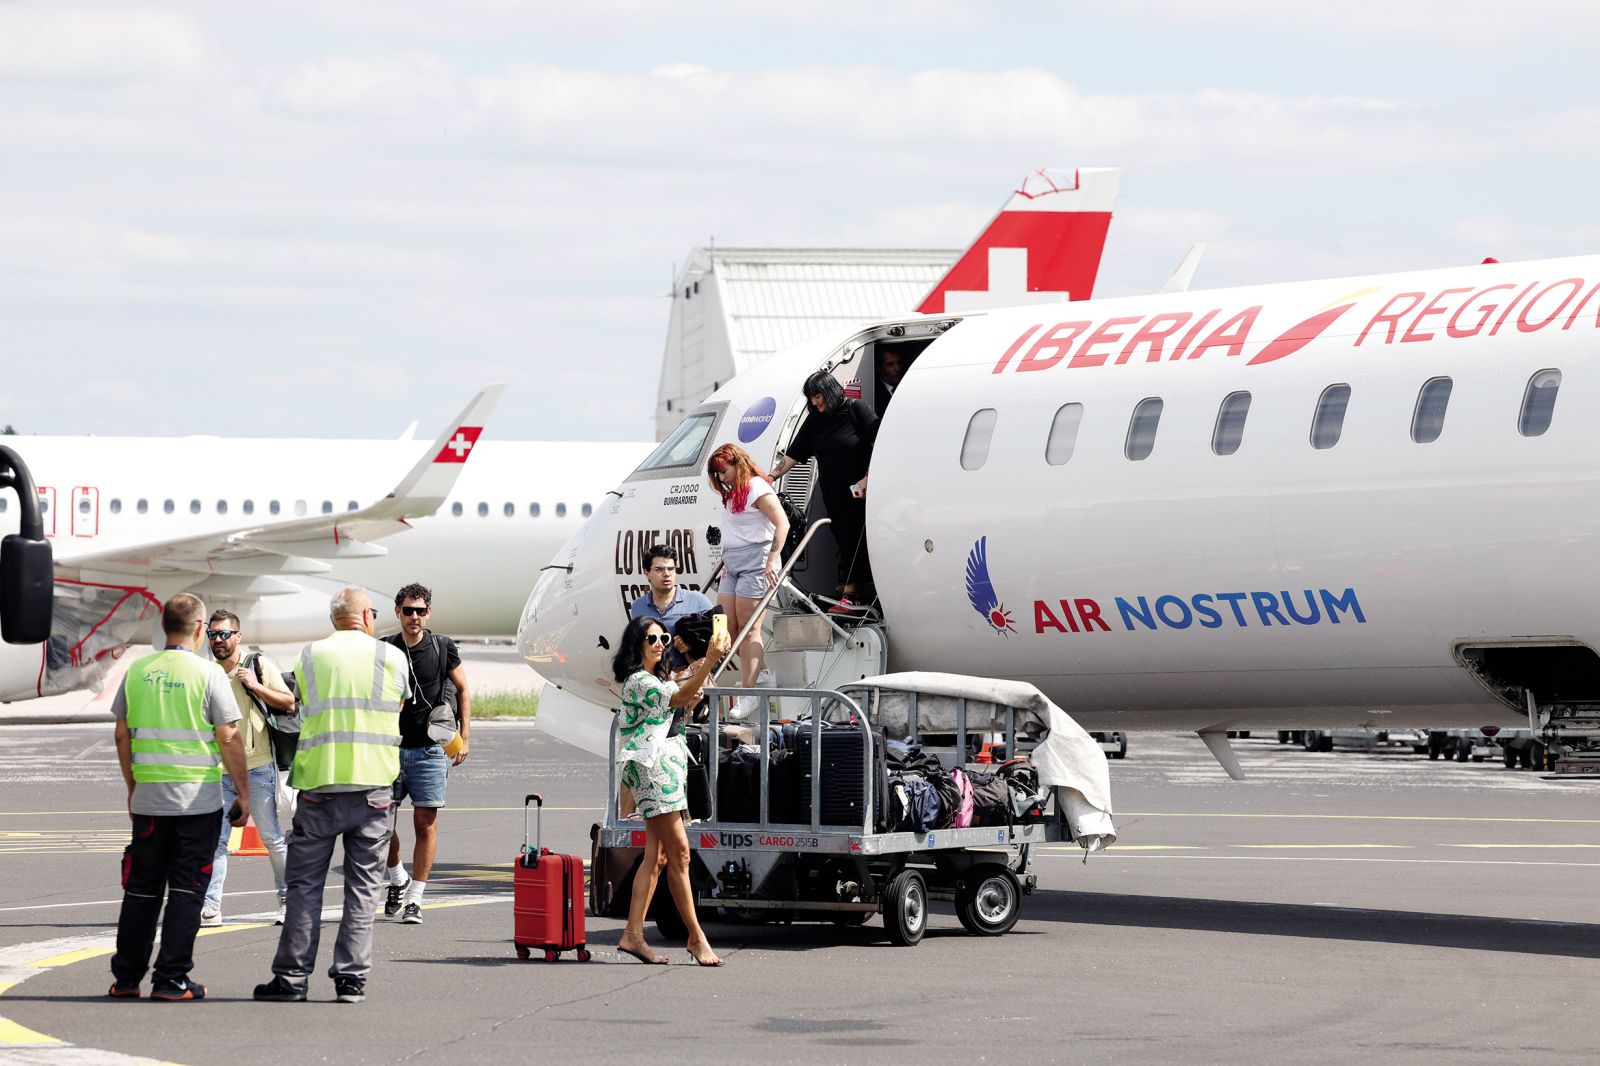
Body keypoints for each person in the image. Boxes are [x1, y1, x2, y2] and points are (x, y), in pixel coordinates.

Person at [254, 586, 409, 1005]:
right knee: (363, 888)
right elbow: (401, 706)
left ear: (333, 619)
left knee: (304, 886)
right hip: (374, 786)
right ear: (367, 616)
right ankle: (351, 979)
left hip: (320, 784)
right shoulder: (391, 657)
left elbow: (297, 701)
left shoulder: (310, 655)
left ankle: (291, 979)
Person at [108, 593, 250, 1002]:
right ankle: (171, 980)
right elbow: (228, 735)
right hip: (198, 803)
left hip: (150, 800)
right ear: (201, 629)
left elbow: (122, 733)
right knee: (188, 890)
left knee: (141, 889)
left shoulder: (137, 671)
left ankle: (127, 978)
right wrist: (243, 792)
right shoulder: (208, 675)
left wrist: (133, 786)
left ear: (162, 627)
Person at [611, 615, 729, 967]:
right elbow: (677, 697)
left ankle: (633, 935)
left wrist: (699, 673)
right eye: (652, 639)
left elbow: (679, 696)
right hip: (653, 773)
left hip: (664, 769)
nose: (661, 643)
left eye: (663, 637)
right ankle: (696, 937)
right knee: (680, 853)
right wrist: (708, 659)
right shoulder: (637, 681)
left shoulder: (654, 679)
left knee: (659, 857)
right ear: (638, 645)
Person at [379, 582, 470, 924]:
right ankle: (398, 879)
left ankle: (415, 897)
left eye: (420, 611)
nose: (414, 616)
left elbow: (463, 689)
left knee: (424, 824)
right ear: (397, 612)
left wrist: (465, 735)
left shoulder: (442, 646)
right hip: (390, 749)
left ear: (428, 613)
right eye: (408, 610)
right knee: (379, 824)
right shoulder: (386, 649)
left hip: (430, 749)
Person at [200, 610, 293, 927]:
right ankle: (211, 905)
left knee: (272, 837)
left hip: (259, 766)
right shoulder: (208, 673)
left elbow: (288, 702)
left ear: (238, 636)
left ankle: (286, 897)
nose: (218, 641)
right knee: (217, 841)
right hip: (221, 770)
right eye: (213, 635)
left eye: (224, 634)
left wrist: (255, 685)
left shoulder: (257, 664)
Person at [772, 370, 879, 613]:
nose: (815, 402)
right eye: (811, 398)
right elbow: (793, 455)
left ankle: (852, 594)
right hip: (832, 493)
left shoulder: (856, 410)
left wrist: (867, 478)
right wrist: (771, 476)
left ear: (829, 391)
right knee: (842, 537)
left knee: (854, 537)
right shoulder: (814, 422)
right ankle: (853, 593)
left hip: (859, 492)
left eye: (818, 396)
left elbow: (880, 446)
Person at [705, 442, 789, 717]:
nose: (721, 478)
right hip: (732, 562)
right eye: (716, 474)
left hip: (756, 560)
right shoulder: (731, 494)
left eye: (723, 471)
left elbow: (782, 522)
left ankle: (749, 691)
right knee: (725, 628)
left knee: (750, 628)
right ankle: (762, 675)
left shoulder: (756, 487)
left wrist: (771, 560)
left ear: (736, 464)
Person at [629, 543, 712, 674]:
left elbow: (721, 641)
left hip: (689, 680)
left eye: (671, 569)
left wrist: (691, 644)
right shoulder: (637, 607)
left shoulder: (698, 601)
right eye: (659, 569)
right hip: (653, 680)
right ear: (647, 573)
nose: (667, 574)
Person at [874, 347, 906, 416]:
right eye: (890, 364)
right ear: (878, 368)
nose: (897, 368)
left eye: (899, 362)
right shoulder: (872, 394)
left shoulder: (908, 387)